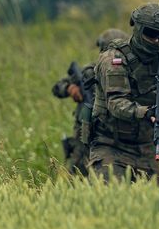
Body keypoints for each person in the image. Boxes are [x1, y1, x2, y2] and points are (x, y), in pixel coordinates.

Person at [88, 5, 159, 182]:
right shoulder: (114, 58)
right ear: (137, 28)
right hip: (111, 146)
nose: (157, 40)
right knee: (110, 194)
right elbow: (116, 104)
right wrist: (146, 112)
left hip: (146, 149)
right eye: (150, 34)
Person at [51, 28, 128, 175]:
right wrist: (70, 88)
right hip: (84, 138)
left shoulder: (128, 74)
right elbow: (57, 87)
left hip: (113, 139)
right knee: (78, 176)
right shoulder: (90, 71)